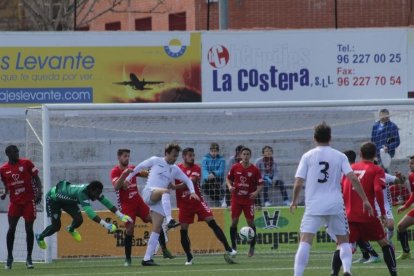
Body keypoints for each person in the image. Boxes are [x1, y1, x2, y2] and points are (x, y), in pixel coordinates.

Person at [290, 122, 373, 276]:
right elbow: (353, 178)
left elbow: (298, 182)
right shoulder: (339, 155)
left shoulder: (308, 156)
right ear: (330, 137)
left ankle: (298, 274)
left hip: (314, 206)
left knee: (305, 240)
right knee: (344, 241)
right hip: (335, 204)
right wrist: (365, 200)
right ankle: (347, 270)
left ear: (314, 138)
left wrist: (294, 201)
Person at [124, 143, 200, 266]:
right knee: (166, 191)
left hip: (158, 199)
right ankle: (170, 219)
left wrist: (192, 192)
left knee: (157, 228)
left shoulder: (175, 168)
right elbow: (139, 167)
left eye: (176, 156)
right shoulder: (155, 160)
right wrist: (128, 178)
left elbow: (187, 180)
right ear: (167, 153)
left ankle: (147, 259)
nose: (175, 158)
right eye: (173, 155)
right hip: (149, 193)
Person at [110, 149, 173, 266]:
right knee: (130, 229)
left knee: (155, 221)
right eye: (124, 156)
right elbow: (117, 187)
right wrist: (124, 175)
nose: (127, 158)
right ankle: (128, 259)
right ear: (119, 157)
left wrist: (155, 173)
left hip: (138, 201)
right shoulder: (115, 171)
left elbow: (144, 173)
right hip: (126, 205)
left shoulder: (132, 168)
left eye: (128, 156)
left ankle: (164, 249)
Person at [174, 147, 236, 265]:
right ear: (184, 157)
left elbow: (190, 181)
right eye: (190, 155)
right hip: (184, 204)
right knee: (183, 231)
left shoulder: (197, 167)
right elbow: (169, 180)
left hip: (198, 202)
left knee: (212, 223)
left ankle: (228, 248)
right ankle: (189, 257)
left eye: (193, 155)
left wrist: (174, 187)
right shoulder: (176, 169)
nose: (192, 157)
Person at [342, 142, 397, 276]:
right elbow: (378, 189)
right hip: (367, 214)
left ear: (360, 154)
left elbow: (341, 188)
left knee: (344, 245)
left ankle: (340, 272)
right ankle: (394, 274)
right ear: (374, 155)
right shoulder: (376, 169)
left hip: (349, 214)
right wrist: (383, 213)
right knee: (384, 243)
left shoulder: (349, 169)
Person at [35, 180, 132, 249]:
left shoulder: (92, 189)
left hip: (68, 201)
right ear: (91, 191)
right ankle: (40, 236)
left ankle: (71, 228)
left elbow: (106, 202)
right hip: (53, 199)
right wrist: (106, 224)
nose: (98, 196)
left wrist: (121, 215)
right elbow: (89, 213)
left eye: (99, 193)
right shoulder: (82, 193)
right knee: (56, 226)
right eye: (97, 193)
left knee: (79, 220)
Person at [0, 145, 42, 270]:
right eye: (15, 152)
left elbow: (37, 179)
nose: (17, 154)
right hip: (15, 203)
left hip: (29, 201)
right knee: (11, 228)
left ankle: (29, 258)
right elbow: (6, 184)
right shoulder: (3, 169)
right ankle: (9, 257)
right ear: (8, 154)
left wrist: (39, 193)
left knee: (29, 228)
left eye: (18, 151)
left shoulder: (26, 163)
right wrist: (4, 192)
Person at [227, 147, 263, 257]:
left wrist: (256, 192)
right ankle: (233, 246)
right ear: (240, 156)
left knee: (250, 223)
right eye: (244, 154)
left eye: (248, 154)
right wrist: (229, 186)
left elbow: (261, 184)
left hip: (248, 200)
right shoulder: (235, 167)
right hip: (236, 199)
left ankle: (252, 247)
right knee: (234, 222)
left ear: (250, 156)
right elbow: (228, 178)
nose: (246, 156)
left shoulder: (255, 169)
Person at [395, 155, 414, 260]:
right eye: (410, 163)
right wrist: (405, 206)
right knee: (401, 226)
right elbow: (413, 194)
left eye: (412, 163)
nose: (410, 165)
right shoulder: (411, 176)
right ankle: (406, 252)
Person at [201, 143, 226, 207]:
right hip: (208, 179)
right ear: (210, 151)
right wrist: (207, 176)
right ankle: (216, 198)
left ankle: (220, 198)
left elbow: (221, 170)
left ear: (218, 151)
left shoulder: (222, 160)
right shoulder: (205, 159)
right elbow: (204, 169)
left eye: (215, 151)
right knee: (204, 186)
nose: (214, 153)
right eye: (212, 151)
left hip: (218, 178)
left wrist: (214, 173)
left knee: (214, 183)